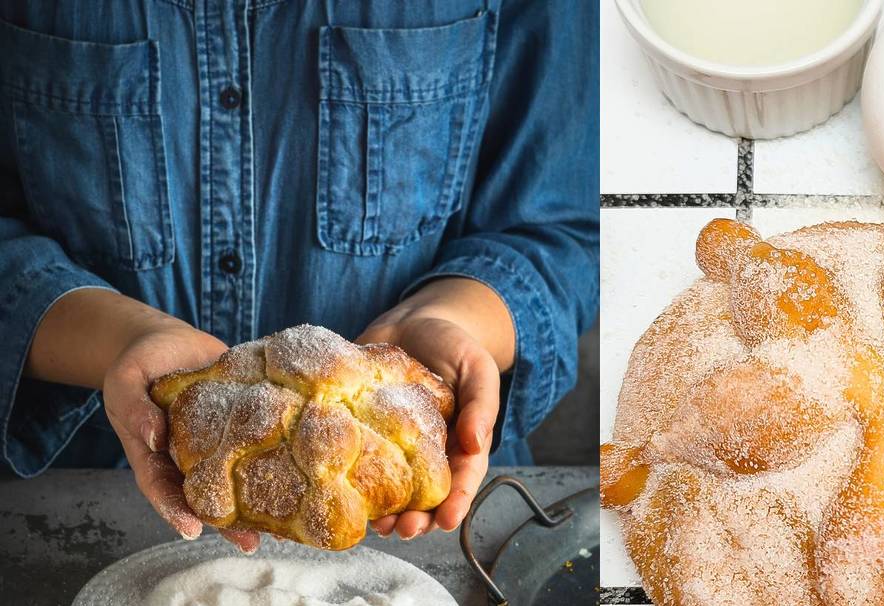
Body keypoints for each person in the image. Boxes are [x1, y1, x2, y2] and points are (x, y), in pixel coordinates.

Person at [0, 1, 598, 552]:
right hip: (74, 523)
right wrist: (120, 340)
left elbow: (559, 225)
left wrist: (443, 318)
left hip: (447, 550)